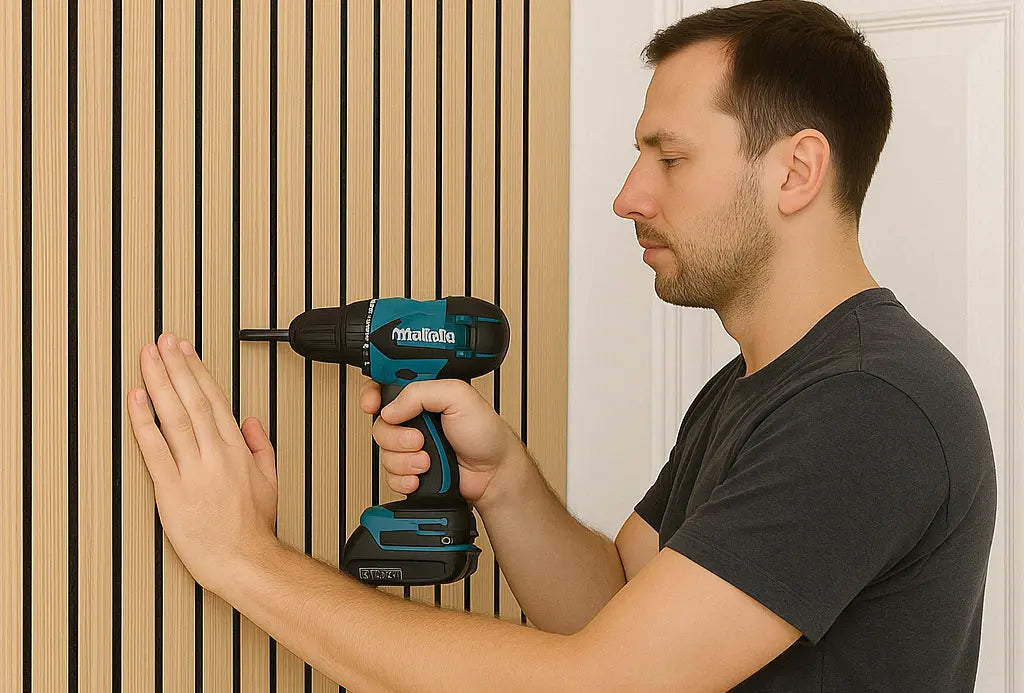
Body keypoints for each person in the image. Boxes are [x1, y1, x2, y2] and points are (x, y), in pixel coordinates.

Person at [127, 1, 996, 690]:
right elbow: (617, 611)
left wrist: (246, 562)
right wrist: (501, 478)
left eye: (670, 157)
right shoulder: (757, 386)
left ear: (797, 171)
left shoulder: (870, 405)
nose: (627, 196)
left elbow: (602, 681)